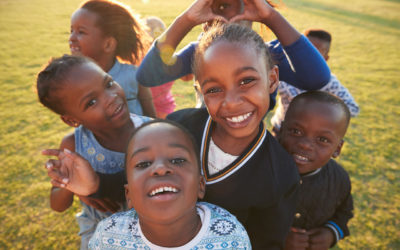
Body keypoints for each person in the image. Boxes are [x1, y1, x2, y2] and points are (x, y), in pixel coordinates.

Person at [43, 23, 300, 249]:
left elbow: (267, 241)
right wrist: (95, 184)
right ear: (199, 90)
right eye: (214, 89)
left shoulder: (281, 173)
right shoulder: (181, 126)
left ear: (272, 79)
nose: (231, 102)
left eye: (246, 80)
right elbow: (140, 176)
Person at [37, 55, 151, 249]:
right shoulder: (74, 145)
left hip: (149, 227)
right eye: (91, 102)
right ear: (72, 120)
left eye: (109, 83)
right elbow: (58, 205)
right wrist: (67, 183)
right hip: (99, 232)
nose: (110, 97)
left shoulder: (151, 132)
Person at [135, 0, 331, 110]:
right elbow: (148, 76)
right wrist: (186, 20)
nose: (233, 15)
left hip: (249, 154)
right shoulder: (200, 53)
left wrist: (271, 17)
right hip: (204, 143)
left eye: (246, 3)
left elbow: (317, 79)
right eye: (223, 5)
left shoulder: (267, 54)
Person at [88, 119, 251, 249]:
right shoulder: (108, 237)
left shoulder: (230, 237)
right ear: (129, 195)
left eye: (178, 160)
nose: (160, 168)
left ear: (200, 185)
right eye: (143, 164)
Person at [278, 91, 354, 249]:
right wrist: (277, 238)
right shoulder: (260, 172)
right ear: (282, 130)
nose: (305, 144)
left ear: (337, 149)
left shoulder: (339, 179)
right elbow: (241, 216)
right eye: (296, 131)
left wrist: (331, 233)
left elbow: (344, 212)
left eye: (322, 139)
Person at [69, 0, 155, 117]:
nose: (71, 37)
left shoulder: (133, 75)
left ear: (108, 44)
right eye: (71, 31)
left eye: (81, 32)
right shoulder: (73, 80)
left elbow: (152, 117)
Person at [270, 28, 360, 136]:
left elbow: (353, 108)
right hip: (280, 130)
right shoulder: (284, 74)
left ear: (325, 59)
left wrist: (321, 111)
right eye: (306, 51)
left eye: (316, 53)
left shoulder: (330, 83)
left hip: (310, 137)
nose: (309, 57)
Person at [144, 16, 177, 118]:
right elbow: (187, 77)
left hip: (147, 109)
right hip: (165, 108)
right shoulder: (169, 58)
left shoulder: (138, 61)